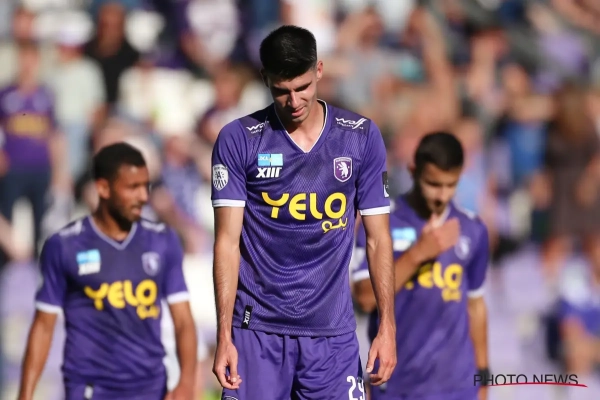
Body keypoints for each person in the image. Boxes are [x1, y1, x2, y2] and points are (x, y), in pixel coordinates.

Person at [210, 25, 397, 399]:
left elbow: (378, 239)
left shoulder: (360, 137)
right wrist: (224, 335)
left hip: (332, 335)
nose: (294, 101)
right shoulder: (239, 139)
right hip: (257, 330)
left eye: (303, 87)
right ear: (265, 79)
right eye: (282, 91)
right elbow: (227, 243)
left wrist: (387, 327)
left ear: (319, 70)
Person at [17, 142, 197, 400]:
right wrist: (25, 395)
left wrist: (186, 383)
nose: (143, 197)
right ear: (103, 188)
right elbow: (43, 327)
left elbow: (183, 321)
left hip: (150, 388)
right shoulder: (64, 245)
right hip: (90, 389)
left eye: (145, 186)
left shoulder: (162, 241)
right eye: (132, 188)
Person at [353, 132, 490, 400]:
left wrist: (483, 375)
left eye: (450, 185)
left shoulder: (472, 229)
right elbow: (366, 299)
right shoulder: (382, 223)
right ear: (413, 171)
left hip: (457, 387)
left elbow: (476, 306)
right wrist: (418, 254)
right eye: (433, 184)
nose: (442, 196)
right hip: (397, 384)